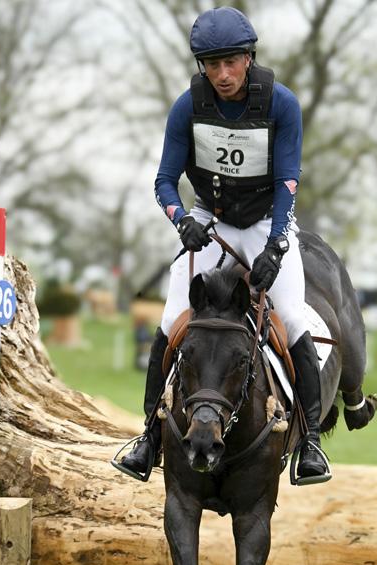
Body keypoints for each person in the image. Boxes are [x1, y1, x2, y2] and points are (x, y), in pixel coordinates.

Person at [117, 6, 329, 485]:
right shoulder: (187, 107)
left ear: (248, 58)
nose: (223, 74)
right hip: (210, 221)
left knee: (292, 319)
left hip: (266, 220)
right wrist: (181, 222)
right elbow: (164, 181)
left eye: (231, 62)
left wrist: (275, 246)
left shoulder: (281, 104)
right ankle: (148, 437)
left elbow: (288, 181)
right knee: (170, 320)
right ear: (202, 67)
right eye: (212, 65)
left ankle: (312, 442)